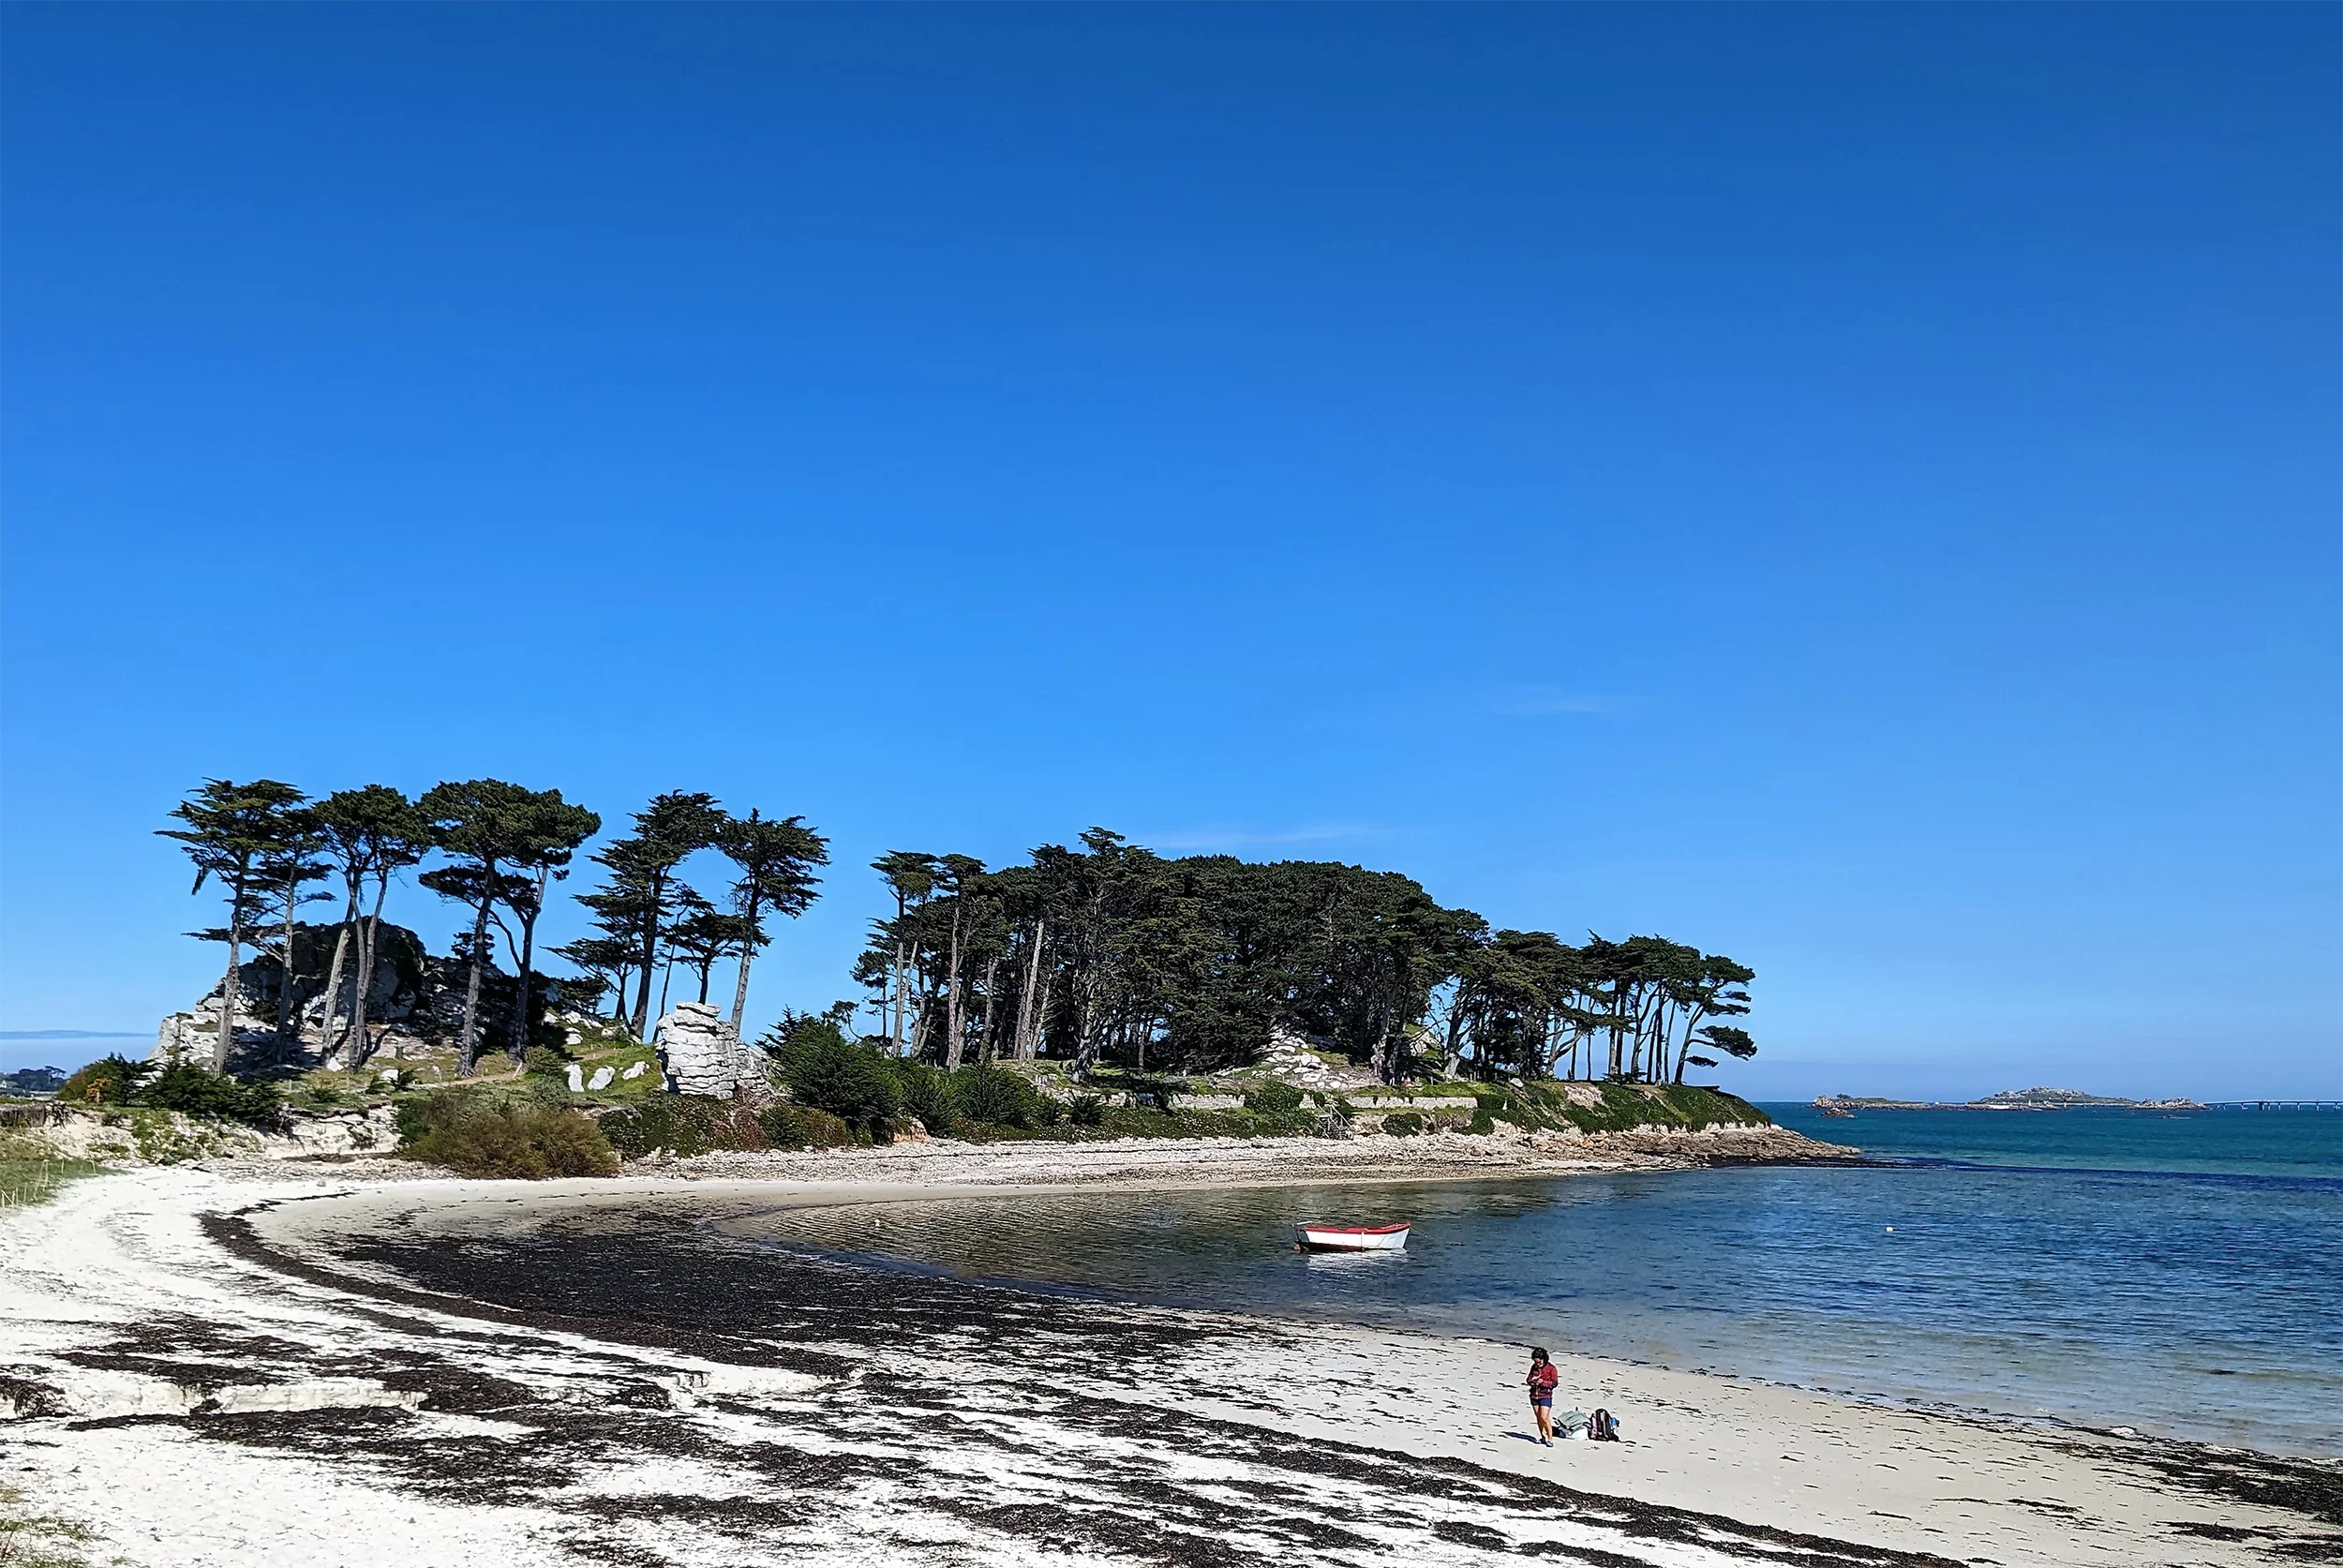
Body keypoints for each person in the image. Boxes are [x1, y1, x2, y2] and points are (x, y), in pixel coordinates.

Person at [1525, 1348, 1560, 1445]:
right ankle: (1543, 1437)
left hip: (1545, 1395)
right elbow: (1528, 1380)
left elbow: (1554, 1383)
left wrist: (1543, 1382)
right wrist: (1533, 1380)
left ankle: (1550, 1439)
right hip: (1534, 1395)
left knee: (1544, 1417)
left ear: (1544, 1359)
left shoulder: (1551, 1368)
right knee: (1538, 1417)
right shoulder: (1534, 1367)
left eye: (1539, 1362)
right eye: (1536, 1362)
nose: (1537, 1364)